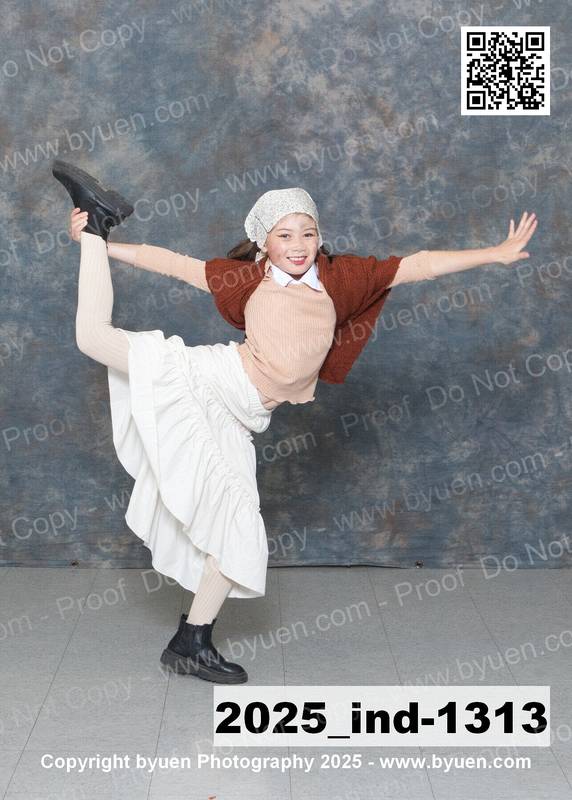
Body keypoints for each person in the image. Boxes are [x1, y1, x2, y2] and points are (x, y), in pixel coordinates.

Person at [51, 159, 537, 684]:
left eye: (308, 232)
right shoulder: (249, 278)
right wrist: (98, 246)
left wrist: (493, 253)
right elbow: (171, 262)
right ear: (264, 243)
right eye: (285, 235)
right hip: (211, 381)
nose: (299, 245)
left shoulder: (342, 278)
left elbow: (416, 266)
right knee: (94, 339)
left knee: (234, 530)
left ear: (319, 236)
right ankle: (97, 225)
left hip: (241, 415)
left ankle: (189, 643)